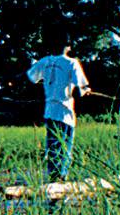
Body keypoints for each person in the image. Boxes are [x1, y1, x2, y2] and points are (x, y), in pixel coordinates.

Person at [25, 39, 90, 180]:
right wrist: (86, 90)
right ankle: (61, 177)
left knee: (53, 147)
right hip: (65, 112)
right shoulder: (72, 63)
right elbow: (80, 89)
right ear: (68, 47)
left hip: (49, 112)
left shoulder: (45, 62)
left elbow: (30, 77)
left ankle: (52, 176)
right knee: (65, 146)